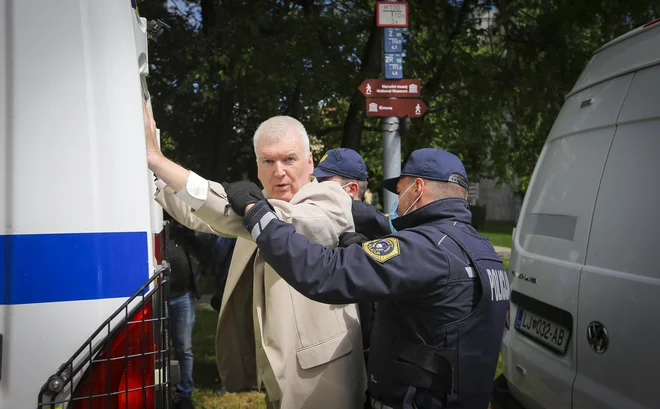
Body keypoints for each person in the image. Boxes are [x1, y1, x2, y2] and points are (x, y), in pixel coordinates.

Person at [226, 148, 510, 409]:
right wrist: (364, 252)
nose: (398, 202)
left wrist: (259, 216)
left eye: (400, 192)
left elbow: (325, 273)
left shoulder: (424, 249)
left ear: (418, 188)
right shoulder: (481, 250)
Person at [143, 103, 366, 409]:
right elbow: (202, 216)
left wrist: (156, 159)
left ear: (310, 163)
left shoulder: (331, 200)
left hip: (322, 371)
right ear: (258, 167)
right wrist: (152, 176)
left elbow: (265, 222)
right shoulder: (258, 204)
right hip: (276, 365)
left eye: (289, 159)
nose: (280, 171)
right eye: (268, 161)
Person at [166, 221, 202, 409]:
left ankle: (184, 394)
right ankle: (161, 391)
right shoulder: (156, 226)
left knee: (184, 349)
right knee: (158, 351)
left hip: (183, 296)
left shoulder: (184, 229)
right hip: (157, 299)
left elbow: (204, 245)